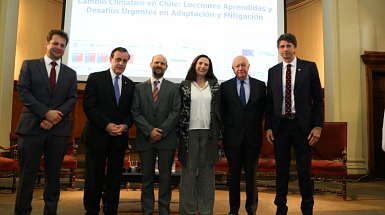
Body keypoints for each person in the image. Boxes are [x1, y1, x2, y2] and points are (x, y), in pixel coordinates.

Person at [14, 30, 77, 215]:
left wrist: (54, 118)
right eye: (55, 43)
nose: (58, 47)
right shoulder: (30, 65)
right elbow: (23, 92)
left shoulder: (70, 73)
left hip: (57, 131)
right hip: (31, 129)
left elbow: (72, 100)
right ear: (47, 43)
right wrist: (46, 114)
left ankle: (51, 212)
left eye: (62, 45)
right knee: (27, 176)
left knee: (53, 177)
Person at [265, 33, 324, 215]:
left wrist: (318, 126)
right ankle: (281, 208)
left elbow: (318, 100)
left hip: (302, 126)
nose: (285, 50)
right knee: (281, 171)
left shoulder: (309, 68)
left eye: (288, 46)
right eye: (282, 46)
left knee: (304, 170)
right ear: (278, 50)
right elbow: (270, 102)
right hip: (280, 127)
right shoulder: (273, 71)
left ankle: (307, 208)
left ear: (295, 47)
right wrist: (268, 126)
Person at [81, 47, 135, 215]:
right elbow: (89, 107)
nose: (121, 63)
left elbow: (132, 112)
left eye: (124, 60)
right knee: (94, 177)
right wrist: (107, 125)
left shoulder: (130, 84)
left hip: (118, 138)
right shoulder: (95, 78)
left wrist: (124, 126)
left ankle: (111, 210)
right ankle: (92, 210)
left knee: (114, 178)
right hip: (97, 136)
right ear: (110, 59)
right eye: (118, 59)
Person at [130, 54, 181, 215]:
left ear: (166, 67)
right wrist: (150, 131)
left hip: (167, 139)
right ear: (151, 64)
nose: (159, 65)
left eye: (162, 63)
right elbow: (135, 112)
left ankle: (164, 210)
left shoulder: (174, 88)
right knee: (147, 179)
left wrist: (161, 132)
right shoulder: (138, 88)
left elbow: (176, 112)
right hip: (145, 138)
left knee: (166, 179)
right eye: (157, 62)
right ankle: (147, 211)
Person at [221, 56, 266, 215]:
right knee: (233, 176)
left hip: (253, 138)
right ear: (233, 69)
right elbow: (222, 112)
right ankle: (234, 210)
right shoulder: (225, 87)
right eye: (237, 66)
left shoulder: (260, 86)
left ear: (249, 66)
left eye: (243, 65)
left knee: (251, 177)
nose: (240, 68)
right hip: (232, 139)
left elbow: (262, 110)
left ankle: (251, 210)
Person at [179, 54, 222, 215]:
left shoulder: (215, 86)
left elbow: (219, 112)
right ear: (194, 65)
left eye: (206, 64)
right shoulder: (184, 85)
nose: (203, 66)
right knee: (188, 173)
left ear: (209, 68)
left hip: (209, 134)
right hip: (188, 134)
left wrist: (220, 135)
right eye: (200, 63)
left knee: (207, 174)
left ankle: (205, 210)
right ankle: (187, 210)